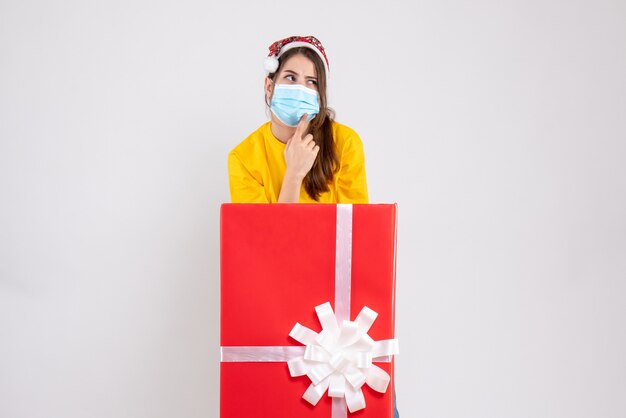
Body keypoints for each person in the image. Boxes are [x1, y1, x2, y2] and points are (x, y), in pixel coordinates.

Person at [227, 35, 399, 417]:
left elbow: (359, 237)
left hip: (339, 312)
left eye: (311, 82)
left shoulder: (345, 144)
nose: (300, 89)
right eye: (290, 78)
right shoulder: (243, 158)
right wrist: (293, 176)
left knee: (365, 398)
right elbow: (263, 252)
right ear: (269, 85)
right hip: (274, 304)